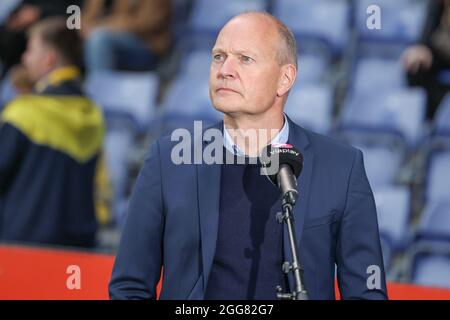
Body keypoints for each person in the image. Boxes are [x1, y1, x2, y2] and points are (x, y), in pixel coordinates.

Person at [109, 12, 388, 300]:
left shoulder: (341, 167)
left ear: (285, 79)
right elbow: (129, 286)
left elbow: (367, 292)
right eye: (218, 56)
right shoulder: (168, 161)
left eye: (245, 59)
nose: (225, 69)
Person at [0, 17, 105, 247]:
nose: (24, 58)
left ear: (49, 59)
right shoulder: (93, 115)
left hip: (21, 247)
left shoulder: (24, 112)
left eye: (30, 50)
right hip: (78, 250)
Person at [81, 0, 171, 72]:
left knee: (99, 40)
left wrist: (106, 26)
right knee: (72, 37)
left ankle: (100, 90)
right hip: (118, 38)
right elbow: (88, 20)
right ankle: (72, 88)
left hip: (149, 46)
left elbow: (149, 22)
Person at [402, 0, 450, 119]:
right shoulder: (436, 6)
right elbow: (425, 40)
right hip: (441, 57)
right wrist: (420, 50)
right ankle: (430, 120)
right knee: (416, 66)